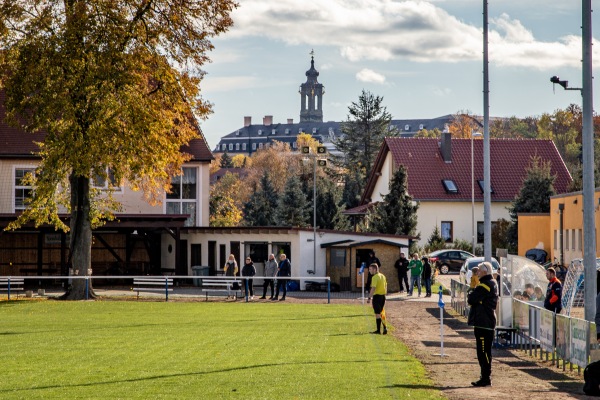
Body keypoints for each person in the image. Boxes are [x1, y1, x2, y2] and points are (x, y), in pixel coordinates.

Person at [467, 261, 498, 387]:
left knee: (483, 352)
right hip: (484, 321)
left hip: (484, 322)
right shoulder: (490, 283)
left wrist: (473, 295)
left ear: (485, 271)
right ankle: (484, 376)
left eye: (479, 270)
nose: (477, 273)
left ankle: (486, 378)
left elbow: (471, 298)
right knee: (484, 351)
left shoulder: (486, 285)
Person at [368, 263, 388, 335]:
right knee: (382, 312)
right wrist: (385, 294)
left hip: (377, 297)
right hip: (383, 296)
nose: (369, 271)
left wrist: (369, 297)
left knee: (377, 313)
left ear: (374, 269)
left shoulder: (374, 277)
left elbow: (373, 288)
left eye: (370, 269)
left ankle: (378, 330)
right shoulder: (383, 276)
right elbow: (386, 286)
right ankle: (385, 327)